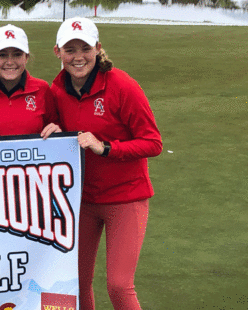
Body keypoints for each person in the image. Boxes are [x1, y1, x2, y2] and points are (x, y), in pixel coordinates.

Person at [50, 17, 162, 310]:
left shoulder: (122, 85)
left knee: (119, 285)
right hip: (82, 200)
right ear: (57, 52)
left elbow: (153, 142)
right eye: (70, 49)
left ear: (98, 49)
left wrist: (105, 148)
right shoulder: (57, 89)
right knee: (75, 279)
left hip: (126, 198)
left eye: (85, 48)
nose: (78, 57)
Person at [0, 24, 61, 142]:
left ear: (26, 57)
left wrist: (56, 130)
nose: (10, 62)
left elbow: (56, 127)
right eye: (2, 55)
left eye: (17, 54)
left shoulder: (42, 89)